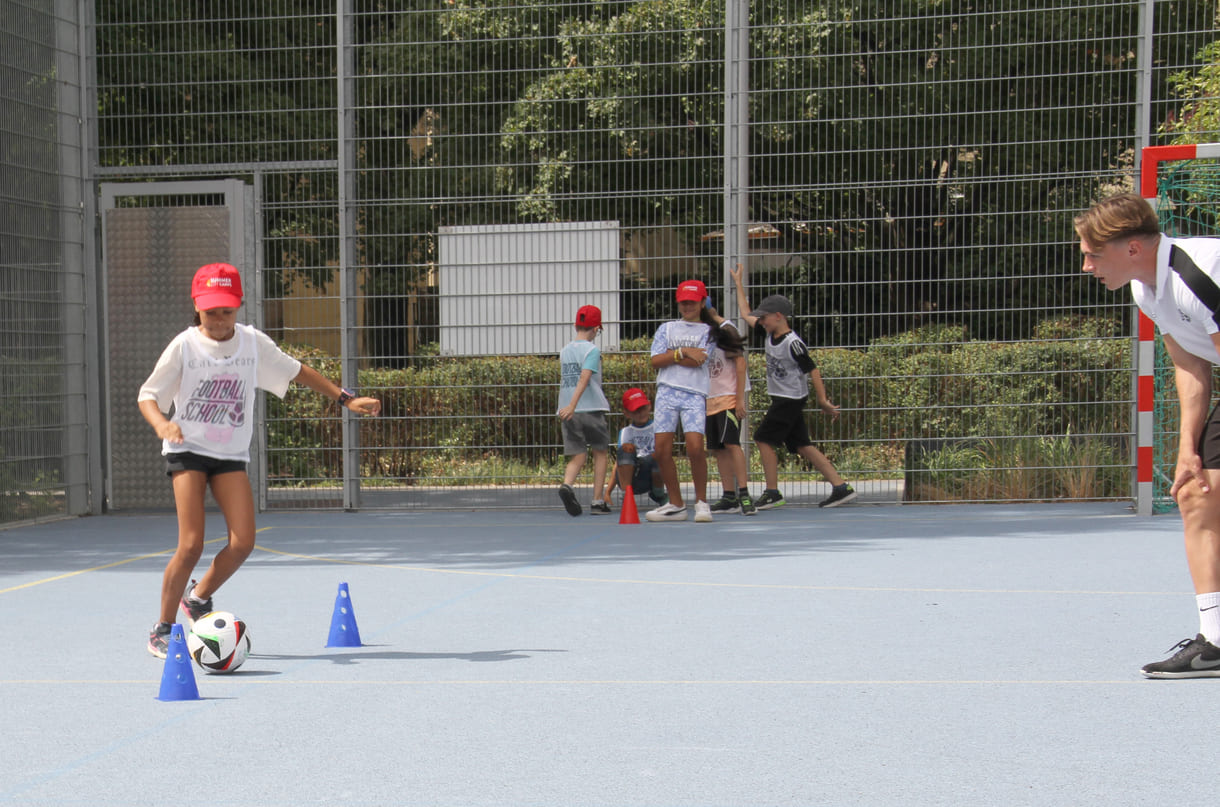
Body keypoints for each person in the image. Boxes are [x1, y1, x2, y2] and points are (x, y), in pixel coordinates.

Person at [138, 262, 381, 658]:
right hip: (187, 451)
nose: (218, 320)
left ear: (239, 307)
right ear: (196, 306)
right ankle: (162, 628)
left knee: (243, 542)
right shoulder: (184, 345)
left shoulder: (252, 344)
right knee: (191, 543)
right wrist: (162, 424)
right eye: (210, 311)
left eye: (226, 312)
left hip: (229, 454)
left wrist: (346, 398)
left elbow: (298, 371)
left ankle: (197, 598)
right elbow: (147, 395)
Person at [1075, 191, 1220, 678]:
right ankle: (1216, 641)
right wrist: (1186, 451)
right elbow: (1191, 364)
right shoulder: (1147, 288)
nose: (1086, 265)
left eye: (1093, 253)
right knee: (1198, 495)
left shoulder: (1199, 273)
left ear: (1132, 248)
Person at [731, 265, 856, 510]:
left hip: (789, 399)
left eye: (765, 317)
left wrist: (822, 400)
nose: (762, 321)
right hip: (782, 398)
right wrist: (738, 283)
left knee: (762, 438)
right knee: (802, 445)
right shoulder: (768, 333)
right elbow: (746, 314)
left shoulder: (793, 343)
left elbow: (813, 369)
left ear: (779, 316)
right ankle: (841, 487)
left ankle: (772, 492)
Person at [645, 279, 716, 522]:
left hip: (695, 393)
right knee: (661, 450)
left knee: (695, 447)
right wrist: (683, 352)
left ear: (702, 303)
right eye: (683, 302)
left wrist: (673, 356)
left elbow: (699, 361)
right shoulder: (667, 328)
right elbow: (656, 360)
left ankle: (702, 502)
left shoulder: (709, 331)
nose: (687, 306)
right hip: (666, 392)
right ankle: (676, 503)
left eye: (692, 302)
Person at [556, 304, 612, 516]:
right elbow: (585, 377)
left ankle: (567, 485)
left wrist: (568, 406)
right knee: (600, 452)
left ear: (575, 325)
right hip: (590, 407)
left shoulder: (565, 350)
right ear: (596, 328)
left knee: (578, 455)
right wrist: (574, 404)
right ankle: (597, 501)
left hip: (567, 411)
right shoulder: (592, 350)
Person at [705, 297, 756, 516]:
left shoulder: (726, 329)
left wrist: (740, 399)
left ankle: (743, 493)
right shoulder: (702, 334)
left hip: (727, 397)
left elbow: (740, 364)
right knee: (718, 449)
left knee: (732, 443)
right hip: (710, 400)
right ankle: (728, 497)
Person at [605, 387, 668, 508]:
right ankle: (627, 493)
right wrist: (608, 491)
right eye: (635, 410)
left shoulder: (658, 428)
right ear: (627, 413)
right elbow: (618, 463)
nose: (640, 413)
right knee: (626, 449)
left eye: (643, 408)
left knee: (659, 455)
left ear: (649, 406)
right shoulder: (626, 432)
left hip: (651, 473)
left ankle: (658, 494)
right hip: (633, 475)